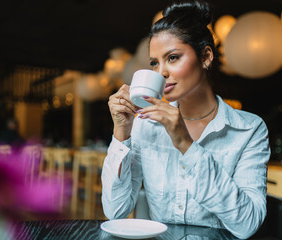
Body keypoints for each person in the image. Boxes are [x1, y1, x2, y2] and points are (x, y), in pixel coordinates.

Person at [101, 0, 270, 239]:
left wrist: (186, 145)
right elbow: (115, 212)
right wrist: (122, 131)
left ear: (206, 57)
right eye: (154, 63)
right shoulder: (146, 124)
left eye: (172, 58)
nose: (161, 73)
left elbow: (247, 225)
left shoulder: (249, 129)